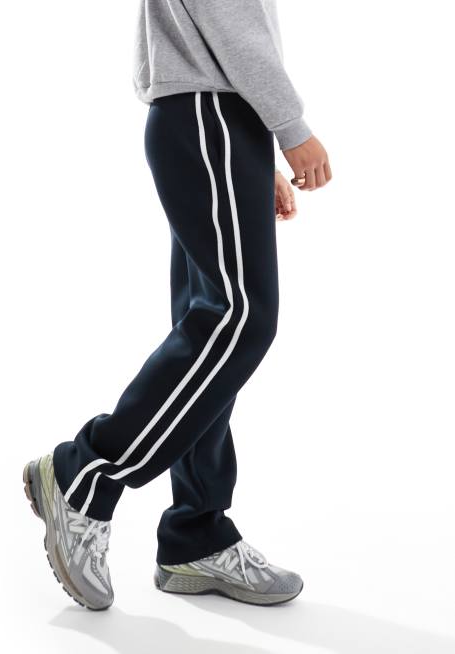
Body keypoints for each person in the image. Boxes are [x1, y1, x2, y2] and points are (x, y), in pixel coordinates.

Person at [23, 0, 331, 611]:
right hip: (208, 112)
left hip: (215, 119)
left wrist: (255, 143)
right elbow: (229, 17)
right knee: (238, 319)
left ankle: (197, 533)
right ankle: (85, 473)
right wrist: (290, 127)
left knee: (210, 330)